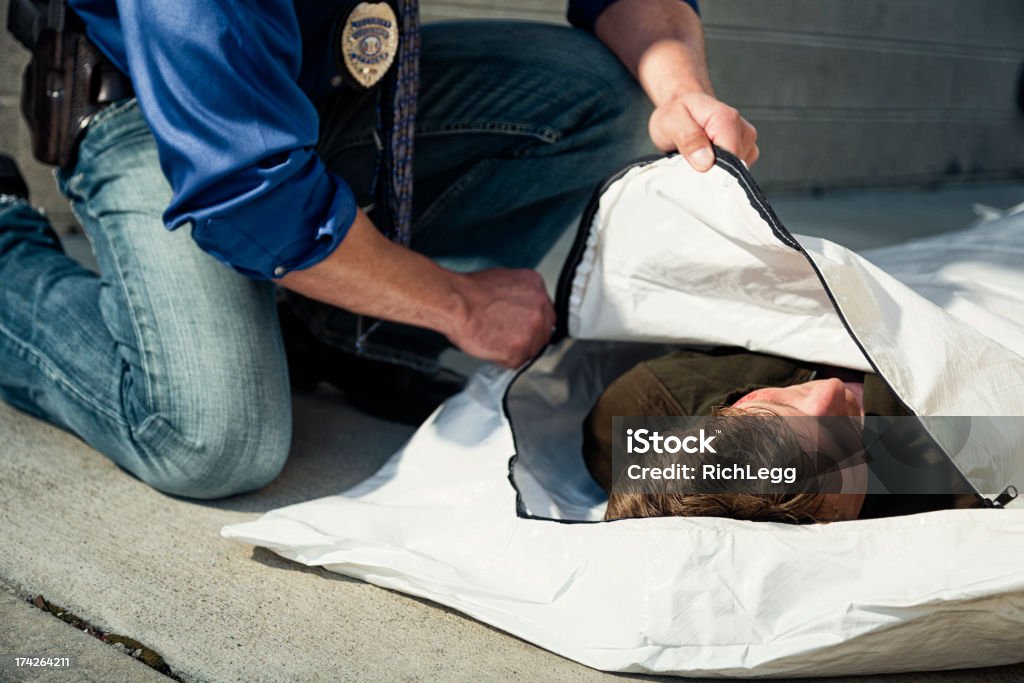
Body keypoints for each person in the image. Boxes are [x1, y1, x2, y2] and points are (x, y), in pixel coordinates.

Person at [0, 0, 758, 499]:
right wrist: (458, 304)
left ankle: (334, 327)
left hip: (328, 85)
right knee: (211, 438)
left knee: (614, 100)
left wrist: (680, 90)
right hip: (165, 114)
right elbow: (248, 196)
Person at [582, 347, 975, 523]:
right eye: (844, 442)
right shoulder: (965, 473)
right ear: (837, 520)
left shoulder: (631, 415)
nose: (829, 391)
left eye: (777, 408)